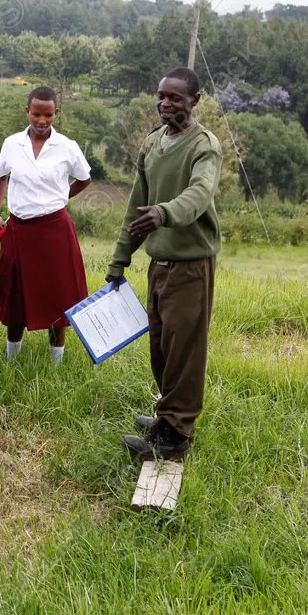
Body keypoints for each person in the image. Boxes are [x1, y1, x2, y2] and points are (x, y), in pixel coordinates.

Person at [106, 67, 223, 462]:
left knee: (184, 350)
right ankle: (167, 416)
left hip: (191, 266)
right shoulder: (153, 143)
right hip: (160, 264)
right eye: (161, 96)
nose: (165, 103)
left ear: (194, 100)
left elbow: (201, 193)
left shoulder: (204, 145)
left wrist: (165, 212)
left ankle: (175, 436)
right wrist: (119, 260)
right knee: (161, 347)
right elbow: (134, 209)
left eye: (175, 97)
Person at [0, 86, 92, 365]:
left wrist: (61, 198)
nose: (41, 120)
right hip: (18, 229)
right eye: (36, 114)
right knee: (15, 292)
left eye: (48, 115)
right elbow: (0, 178)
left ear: (56, 113)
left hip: (55, 229)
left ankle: (56, 362)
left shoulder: (67, 147)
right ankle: (12, 359)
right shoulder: (12, 143)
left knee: (57, 293)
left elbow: (84, 179)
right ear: (27, 111)